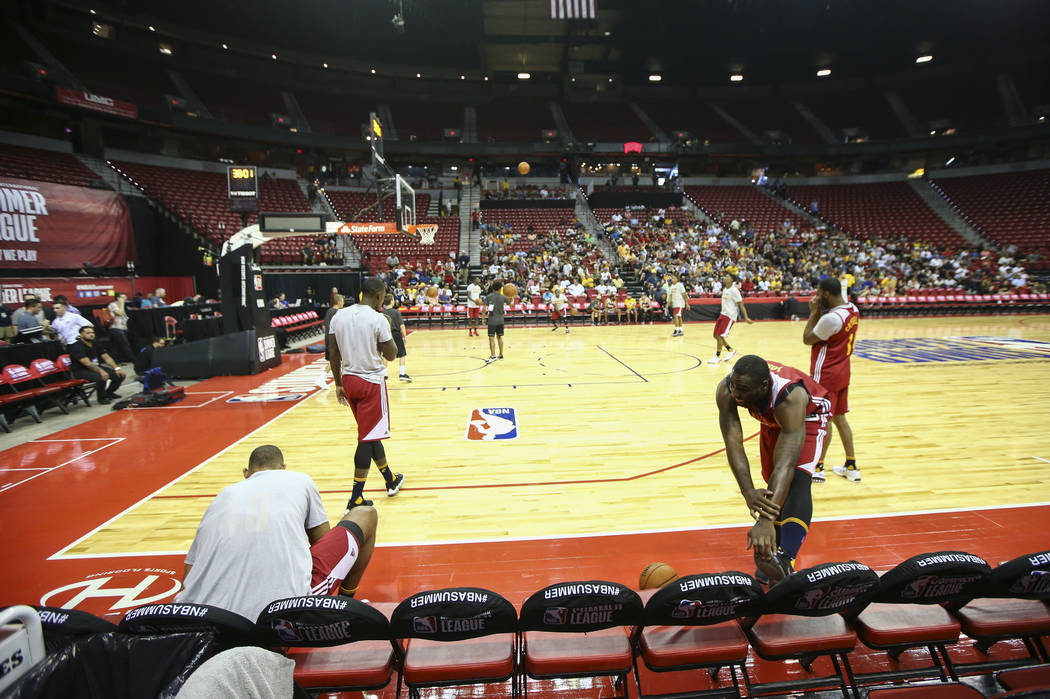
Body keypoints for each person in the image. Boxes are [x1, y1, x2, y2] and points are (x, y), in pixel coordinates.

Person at [175, 445, 378, 621]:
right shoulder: (300, 480)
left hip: (199, 616)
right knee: (366, 514)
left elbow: (191, 570)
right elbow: (323, 541)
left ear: (246, 473)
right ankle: (344, 606)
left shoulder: (223, 495)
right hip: (281, 615)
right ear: (283, 469)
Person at [715, 354, 831, 584]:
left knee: (795, 479)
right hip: (774, 419)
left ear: (764, 386)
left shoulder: (790, 397)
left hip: (808, 417)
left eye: (743, 390)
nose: (736, 394)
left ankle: (785, 559)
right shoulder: (727, 390)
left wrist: (765, 520)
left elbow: (786, 466)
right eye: (734, 386)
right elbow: (733, 443)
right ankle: (773, 550)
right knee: (772, 483)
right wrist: (748, 492)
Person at [327, 277, 404, 510]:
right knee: (366, 439)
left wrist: (338, 383)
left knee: (371, 434)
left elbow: (333, 353)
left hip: (349, 380)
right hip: (370, 382)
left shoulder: (338, 316)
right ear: (379, 296)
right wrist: (388, 327)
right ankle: (356, 497)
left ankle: (390, 479)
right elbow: (392, 355)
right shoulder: (378, 319)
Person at [803, 277, 861, 483]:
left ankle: (818, 467)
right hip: (843, 371)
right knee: (839, 418)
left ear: (826, 294)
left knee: (823, 420)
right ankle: (851, 465)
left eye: (819, 293)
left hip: (826, 373)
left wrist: (813, 313)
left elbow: (807, 338)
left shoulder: (831, 319)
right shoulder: (853, 309)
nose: (817, 297)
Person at [68, 325, 125, 404]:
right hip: (80, 371)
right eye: (88, 333)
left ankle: (109, 393)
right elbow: (88, 364)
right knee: (101, 377)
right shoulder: (76, 347)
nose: (91, 335)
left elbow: (106, 357)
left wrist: (117, 368)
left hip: (95, 367)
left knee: (120, 375)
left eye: (92, 333)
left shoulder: (95, 343)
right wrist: (101, 371)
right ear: (81, 335)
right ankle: (102, 398)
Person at [709, 275, 753, 364]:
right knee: (716, 335)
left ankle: (718, 356)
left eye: (727, 277)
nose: (724, 278)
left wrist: (746, 317)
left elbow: (741, 305)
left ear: (732, 280)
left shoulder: (734, 291)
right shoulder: (725, 289)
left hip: (729, 316)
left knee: (720, 336)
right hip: (722, 314)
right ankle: (731, 350)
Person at [482, 281, 513, 362]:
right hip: (500, 320)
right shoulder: (503, 297)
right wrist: (512, 297)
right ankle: (501, 355)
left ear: (493, 288)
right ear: (500, 289)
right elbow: (511, 305)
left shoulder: (488, 297)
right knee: (499, 337)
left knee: (491, 338)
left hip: (492, 320)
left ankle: (493, 356)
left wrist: (483, 318)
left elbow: (484, 308)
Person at [383, 293, 411, 382]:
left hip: (386, 335)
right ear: (392, 301)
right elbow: (402, 326)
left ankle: (384, 375)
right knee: (402, 354)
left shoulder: (382, 313)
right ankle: (402, 374)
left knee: (385, 355)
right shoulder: (396, 312)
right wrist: (405, 337)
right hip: (396, 334)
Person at [106, 293, 135, 363]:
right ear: (118, 298)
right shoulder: (113, 305)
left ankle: (120, 360)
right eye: (123, 297)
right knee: (125, 345)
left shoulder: (123, 305)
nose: (125, 298)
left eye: (125, 297)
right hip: (116, 328)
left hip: (123, 328)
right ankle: (133, 360)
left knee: (119, 346)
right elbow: (119, 313)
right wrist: (122, 304)